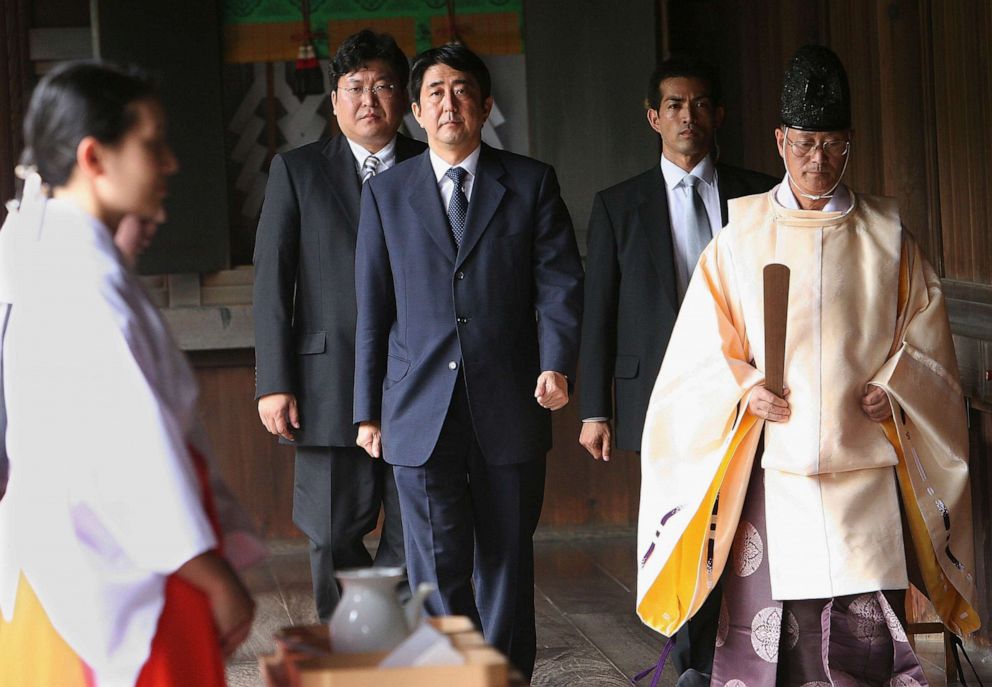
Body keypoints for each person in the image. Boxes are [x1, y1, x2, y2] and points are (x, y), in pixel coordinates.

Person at [635, 44, 979, 685]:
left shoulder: (887, 235)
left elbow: (925, 338)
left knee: (864, 631)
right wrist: (744, 388)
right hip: (775, 463)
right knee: (772, 628)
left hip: (864, 464)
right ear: (779, 140)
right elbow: (701, 348)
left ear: (849, 142)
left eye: (829, 143)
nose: (816, 159)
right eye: (802, 143)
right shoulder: (740, 238)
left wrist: (893, 385)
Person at [0, 60, 255, 686]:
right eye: (152, 144)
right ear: (95, 158)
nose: (169, 163)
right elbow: (126, 456)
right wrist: (212, 572)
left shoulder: (61, 258)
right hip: (116, 569)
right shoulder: (77, 282)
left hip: (106, 555)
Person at [352, 43, 583, 679]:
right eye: (433, 92)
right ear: (416, 112)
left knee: (506, 557)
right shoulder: (386, 195)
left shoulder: (531, 182)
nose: (447, 104)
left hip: (512, 400)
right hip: (416, 406)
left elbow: (558, 284)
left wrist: (557, 363)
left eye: (460, 91)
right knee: (434, 561)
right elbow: (373, 308)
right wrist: (366, 410)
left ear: (485, 105)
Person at [577, 58, 775, 684]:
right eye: (673, 104)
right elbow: (598, 312)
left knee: (744, 525)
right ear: (652, 117)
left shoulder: (759, 194)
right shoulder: (618, 206)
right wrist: (594, 408)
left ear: (718, 115)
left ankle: (745, 654)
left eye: (699, 104)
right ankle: (692, 662)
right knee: (682, 526)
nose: (687, 116)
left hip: (745, 390)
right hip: (658, 394)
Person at [252, 29, 425, 621]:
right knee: (330, 534)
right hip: (326, 383)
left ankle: (396, 652)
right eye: (355, 87)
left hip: (417, 381)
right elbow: (272, 282)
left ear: (404, 98)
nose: (368, 99)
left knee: (415, 533)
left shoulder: (433, 168)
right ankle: (343, 651)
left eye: (382, 86)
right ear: (334, 100)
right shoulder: (296, 171)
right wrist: (273, 380)